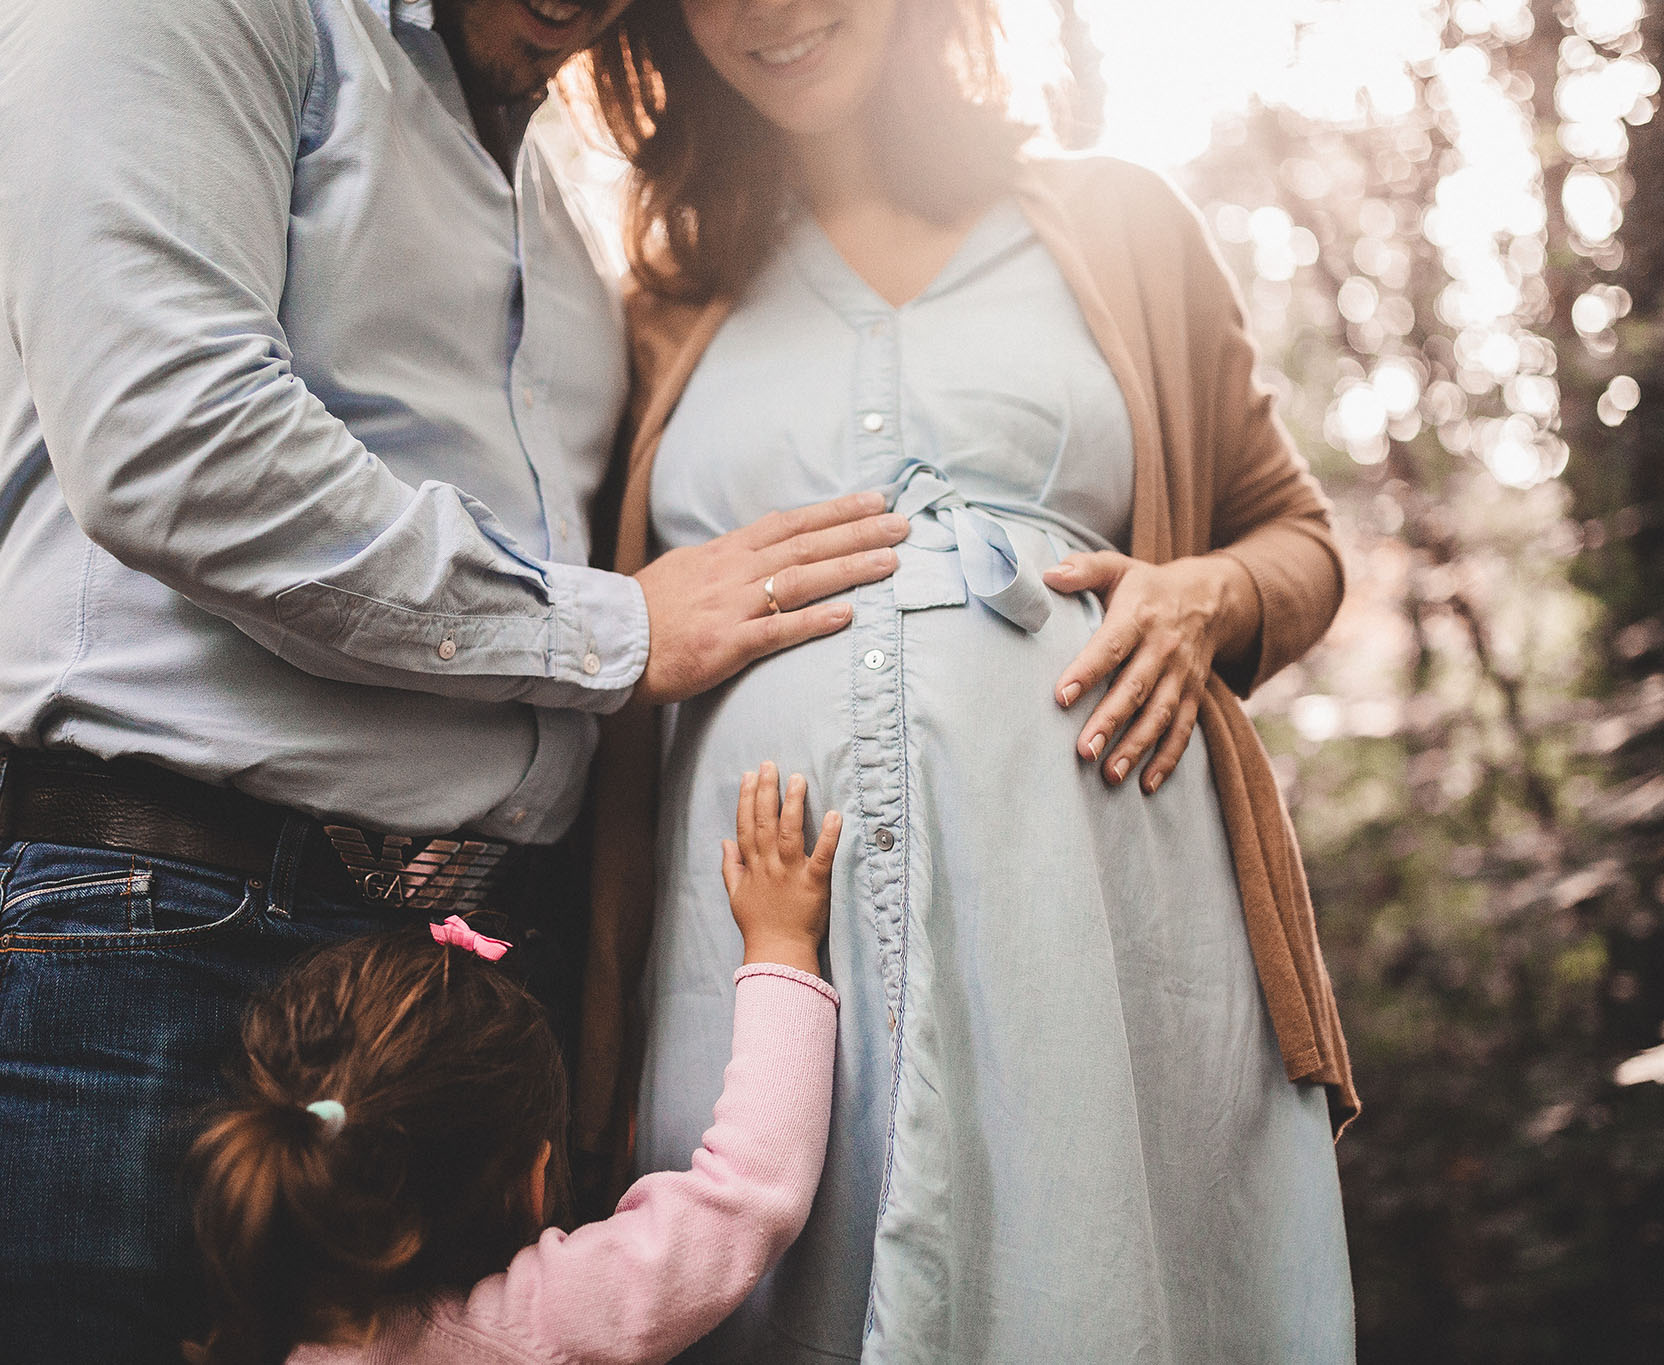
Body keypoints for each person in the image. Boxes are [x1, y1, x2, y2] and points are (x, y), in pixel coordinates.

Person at [0, 0, 911, 1360]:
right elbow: (181, 443)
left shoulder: (548, 186)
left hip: (480, 1012)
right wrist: (608, 635)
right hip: (180, 940)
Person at [573, 0, 1361, 1359]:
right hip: (749, 935)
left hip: (1101, 916)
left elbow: (1299, 541)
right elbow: (589, 618)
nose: (765, 11)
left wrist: (1208, 592)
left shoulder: (1120, 225)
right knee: (758, 1274)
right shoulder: (658, 302)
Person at [187, 766, 841, 1365]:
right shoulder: (535, 1325)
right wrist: (781, 943)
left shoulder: (265, 1337)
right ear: (529, 1183)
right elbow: (747, 1194)